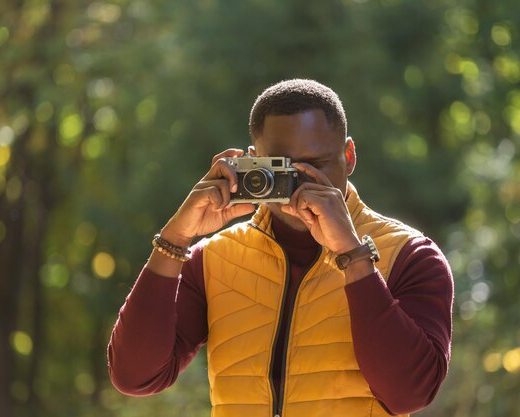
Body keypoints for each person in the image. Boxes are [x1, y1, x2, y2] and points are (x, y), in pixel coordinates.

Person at [107, 79, 454, 417]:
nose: (299, 185)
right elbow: (135, 377)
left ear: (348, 156)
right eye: (283, 169)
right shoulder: (214, 258)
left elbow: (411, 393)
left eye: (315, 166)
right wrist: (175, 240)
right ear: (255, 161)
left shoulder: (411, 255)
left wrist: (353, 256)